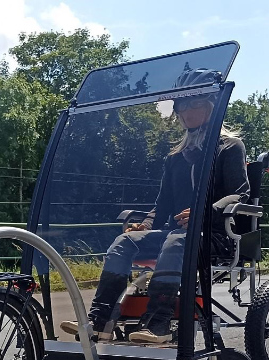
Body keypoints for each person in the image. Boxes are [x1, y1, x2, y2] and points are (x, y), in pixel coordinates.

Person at [61, 68, 250, 343]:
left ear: (212, 105)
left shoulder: (230, 147)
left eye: (195, 103)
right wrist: (145, 225)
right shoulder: (176, 157)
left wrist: (205, 214)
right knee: (124, 242)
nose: (187, 111)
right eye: (182, 105)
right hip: (176, 236)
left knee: (176, 241)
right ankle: (98, 320)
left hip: (215, 235)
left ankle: (158, 324)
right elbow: (163, 205)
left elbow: (240, 195)